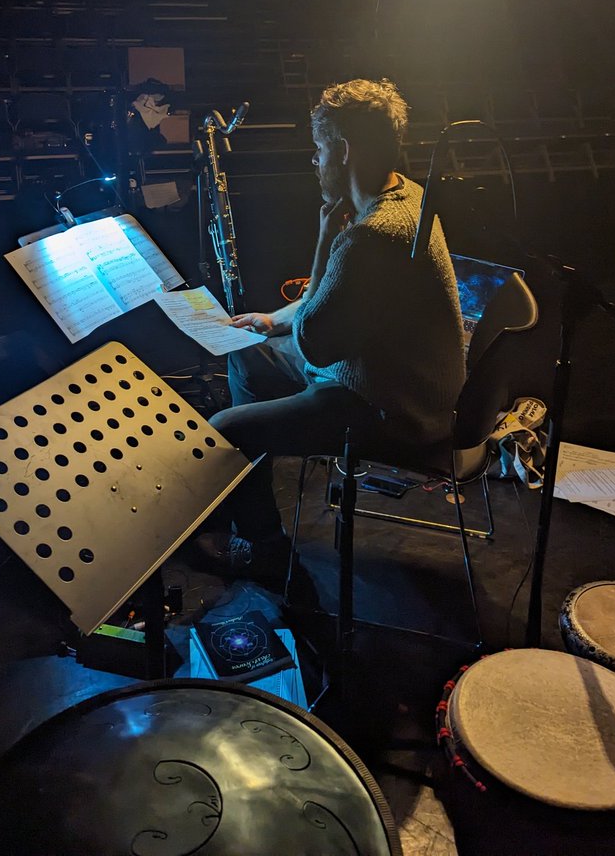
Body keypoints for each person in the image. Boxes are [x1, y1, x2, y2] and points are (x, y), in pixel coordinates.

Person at [197, 78, 466, 581]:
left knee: (224, 432)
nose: (316, 162)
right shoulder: (407, 195)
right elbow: (332, 306)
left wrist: (324, 242)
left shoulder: (372, 235)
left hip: (390, 408)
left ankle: (265, 548)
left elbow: (317, 345)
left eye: (319, 150)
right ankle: (257, 480)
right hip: (391, 376)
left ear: (342, 151)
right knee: (248, 356)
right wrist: (273, 320)